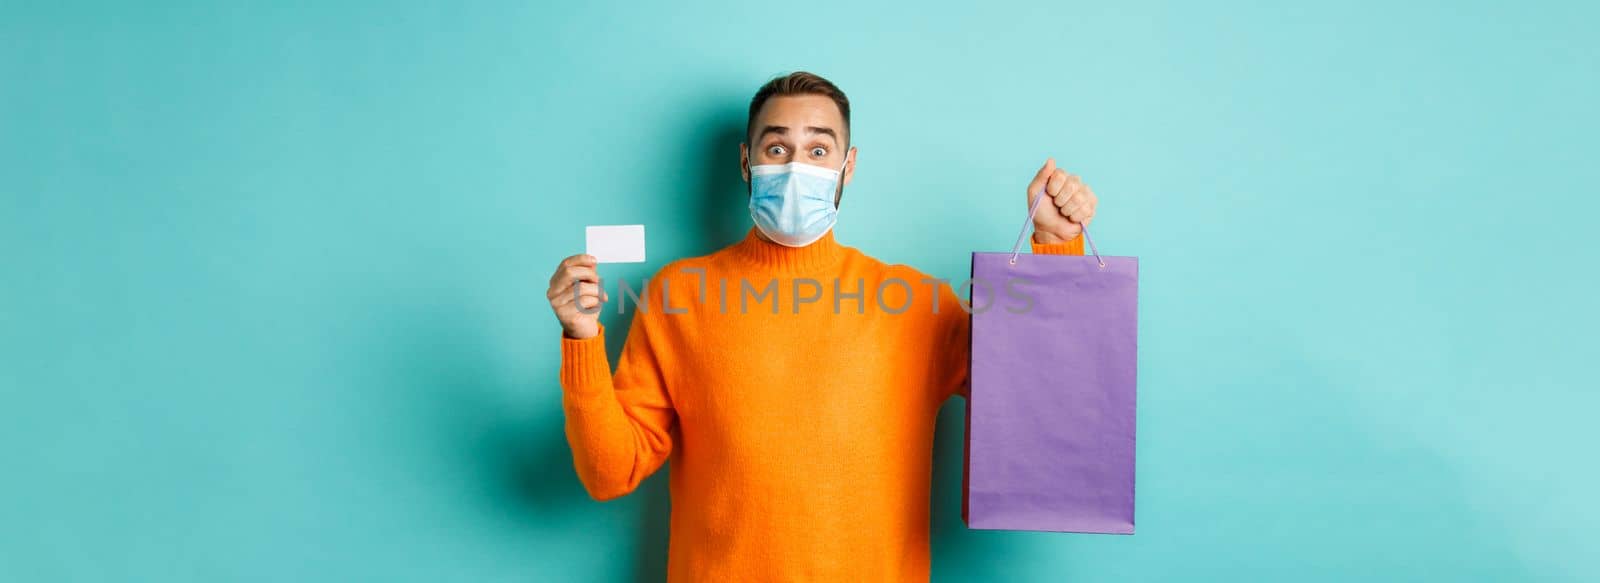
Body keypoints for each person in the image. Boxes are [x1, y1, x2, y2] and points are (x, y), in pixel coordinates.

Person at [544, 71, 1099, 582]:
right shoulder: (676, 295)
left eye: (817, 149)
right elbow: (608, 472)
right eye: (777, 147)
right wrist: (581, 338)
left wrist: (1055, 246)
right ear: (746, 161)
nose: (795, 167)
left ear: (847, 166)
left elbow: (1037, 402)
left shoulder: (916, 304)